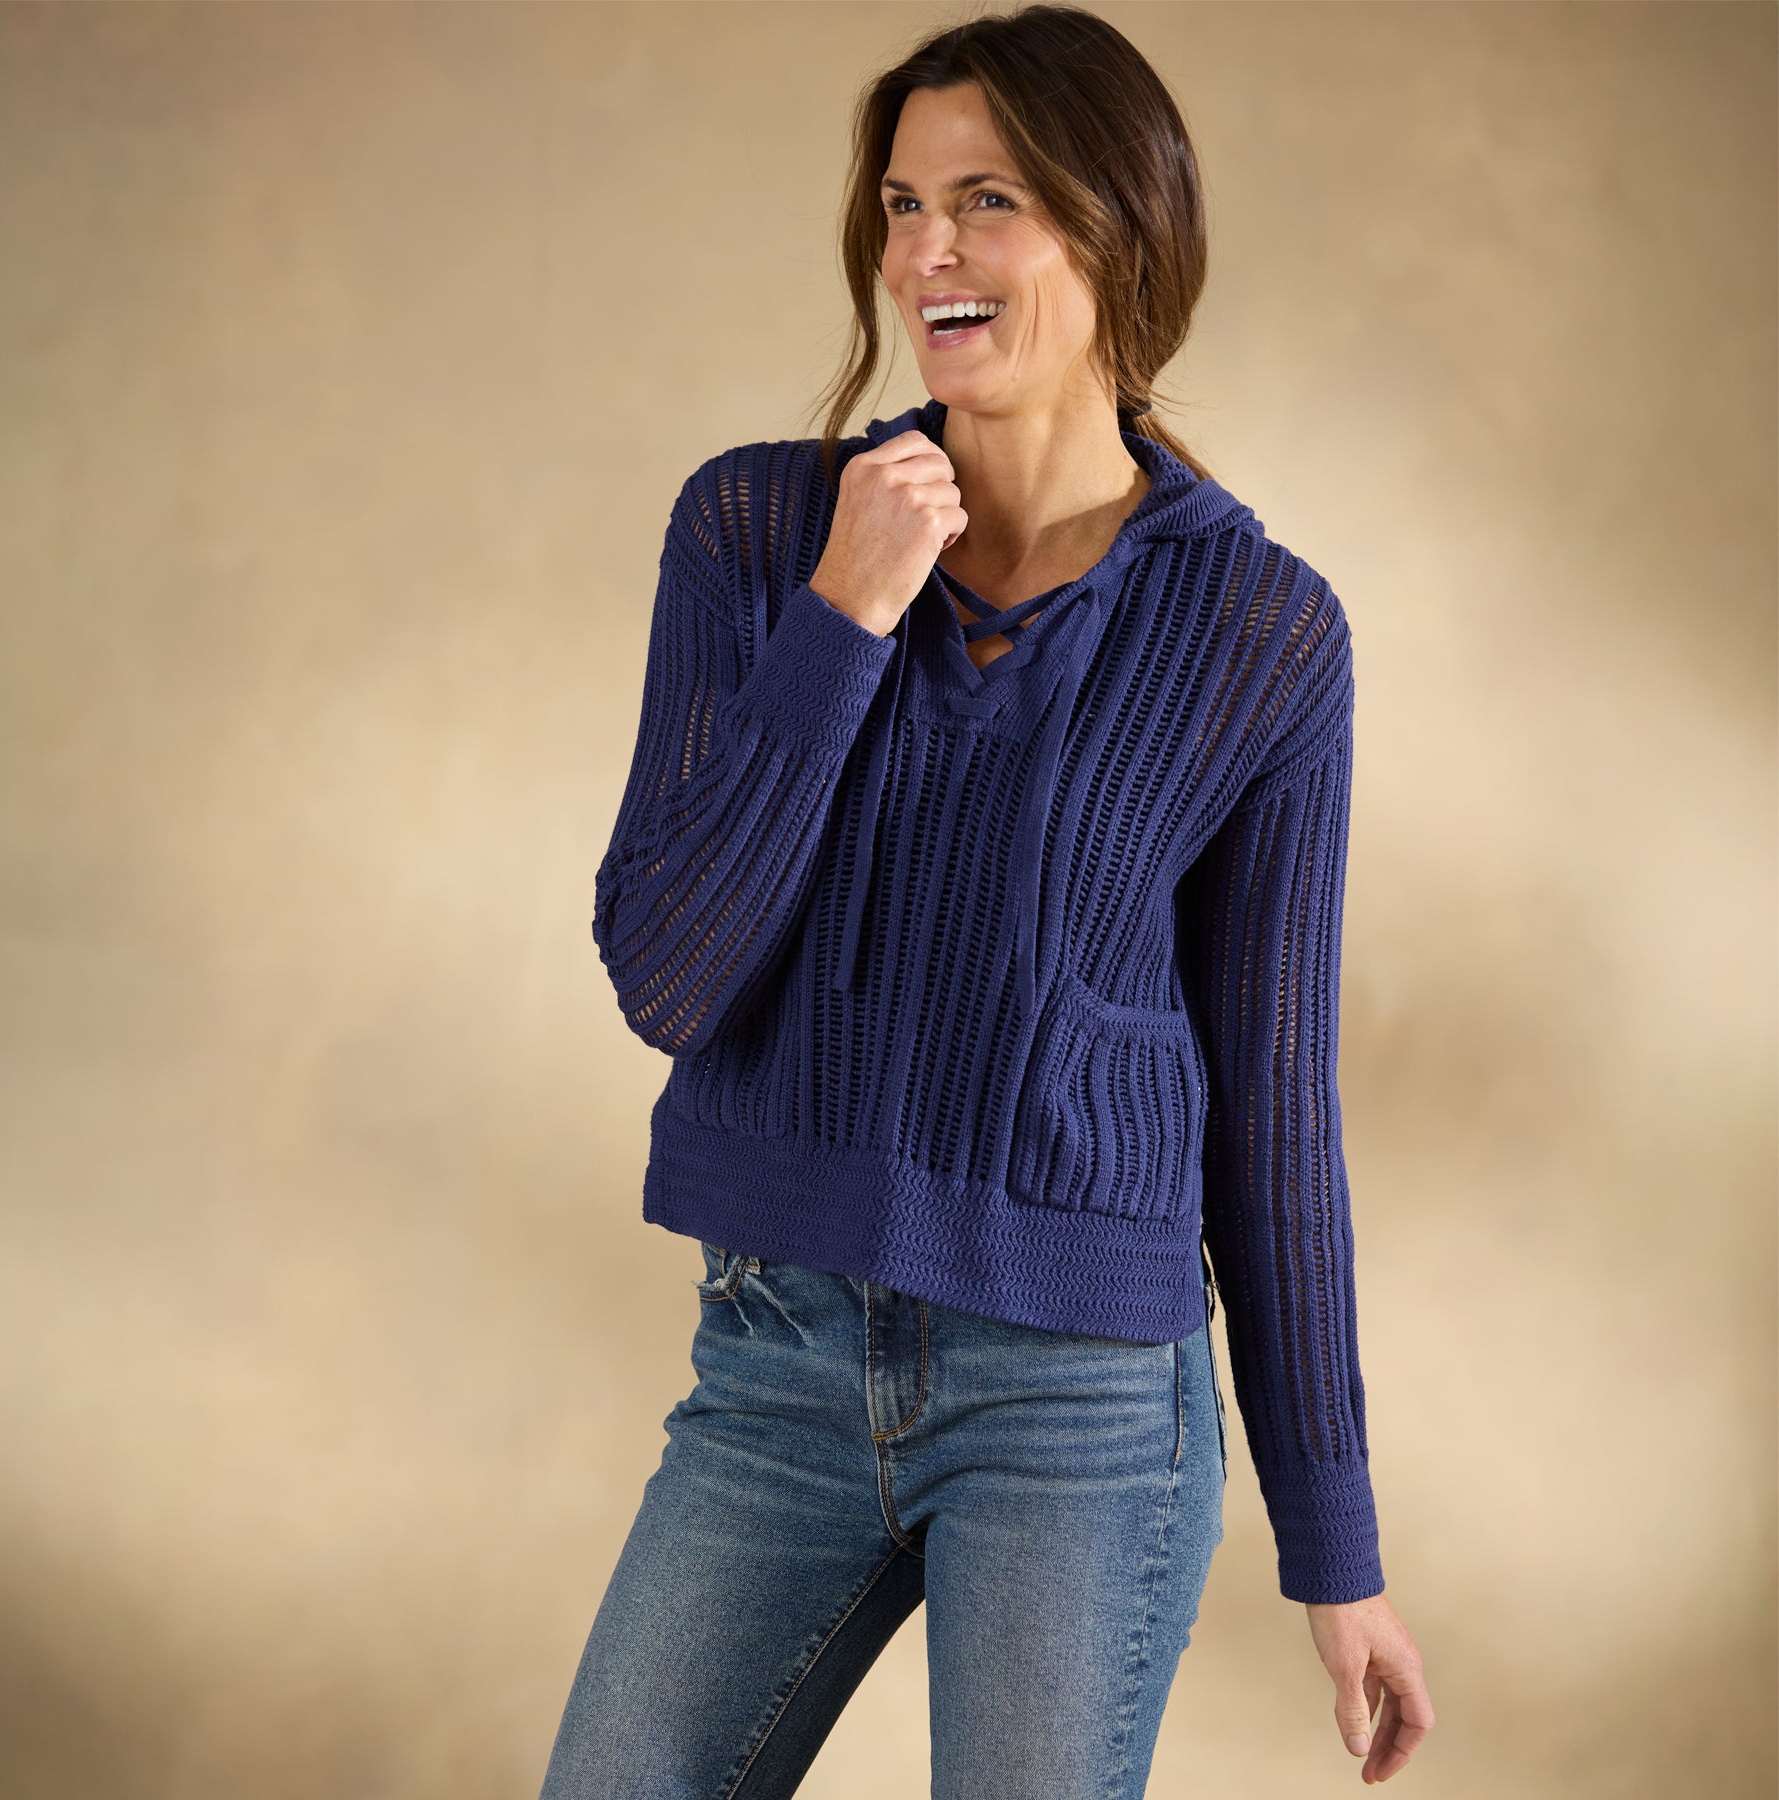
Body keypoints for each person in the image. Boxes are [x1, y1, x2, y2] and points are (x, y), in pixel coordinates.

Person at [539, 6, 1435, 1794]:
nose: (927, 252)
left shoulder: (1260, 635)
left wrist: (1336, 1552)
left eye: (987, 201)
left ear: (1116, 231)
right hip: (779, 1361)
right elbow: (668, 975)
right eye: (902, 204)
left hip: (1079, 1403)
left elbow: (1274, 1109)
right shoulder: (756, 533)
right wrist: (844, 617)